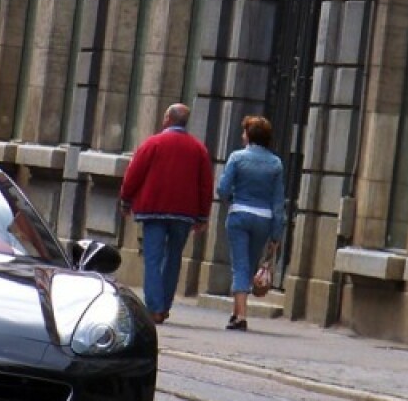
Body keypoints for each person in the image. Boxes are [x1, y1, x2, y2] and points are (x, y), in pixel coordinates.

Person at [118, 103, 213, 324]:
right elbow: (205, 185)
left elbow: (134, 173)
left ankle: (154, 307)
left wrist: (126, 200)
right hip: (184, 212)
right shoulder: (198, 149)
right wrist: (202, 215)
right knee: (173, 258)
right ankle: (165, 305)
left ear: (168, 119)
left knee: (152, 258)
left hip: (154, 209)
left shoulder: (153, 143)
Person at [216, 115, 285, 332]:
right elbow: (278, 202)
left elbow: (223, 189)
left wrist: (230, 200)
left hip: (240, 214)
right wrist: (276, 234)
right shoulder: (275, 163)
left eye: (244, 131)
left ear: (249, 135)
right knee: (250, 263)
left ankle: (241, 316)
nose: (242, 135)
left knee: (240, 265)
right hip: (263, 218)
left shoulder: (237, 158)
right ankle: (236, 312)